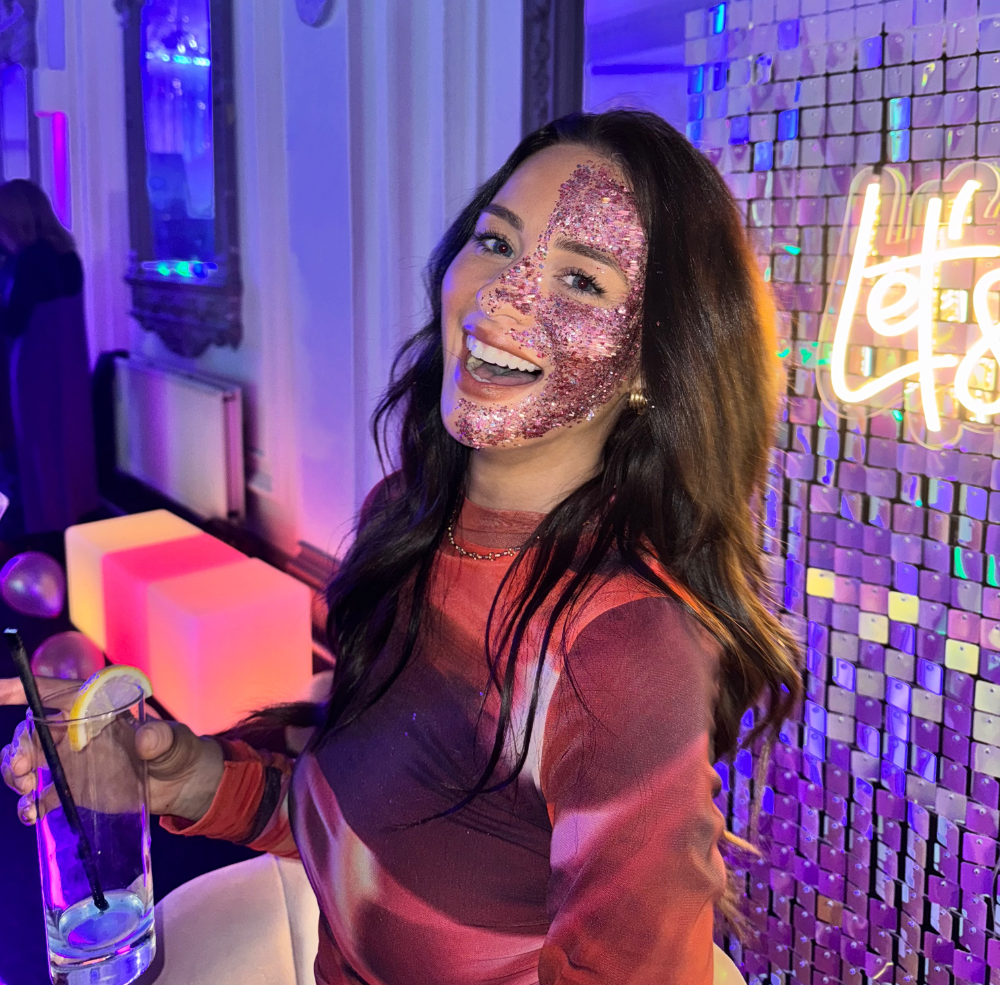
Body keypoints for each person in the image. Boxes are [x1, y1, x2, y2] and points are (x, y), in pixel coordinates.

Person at [2, 111, 801, 984]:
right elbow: (362, 823)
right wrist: (181, 775)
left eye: (580, 279)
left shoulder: (621, 649)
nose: (503, 296)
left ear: (652, 363)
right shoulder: (409, 520)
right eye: (496, 243)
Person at [0, 179, 98, 537]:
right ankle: (65, 519)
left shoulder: (29, 262)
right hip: (66, 365)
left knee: (34, 447)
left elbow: (13, 321)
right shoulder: (67, 256)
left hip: (31, 367)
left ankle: (39, 529)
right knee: (65, 442)